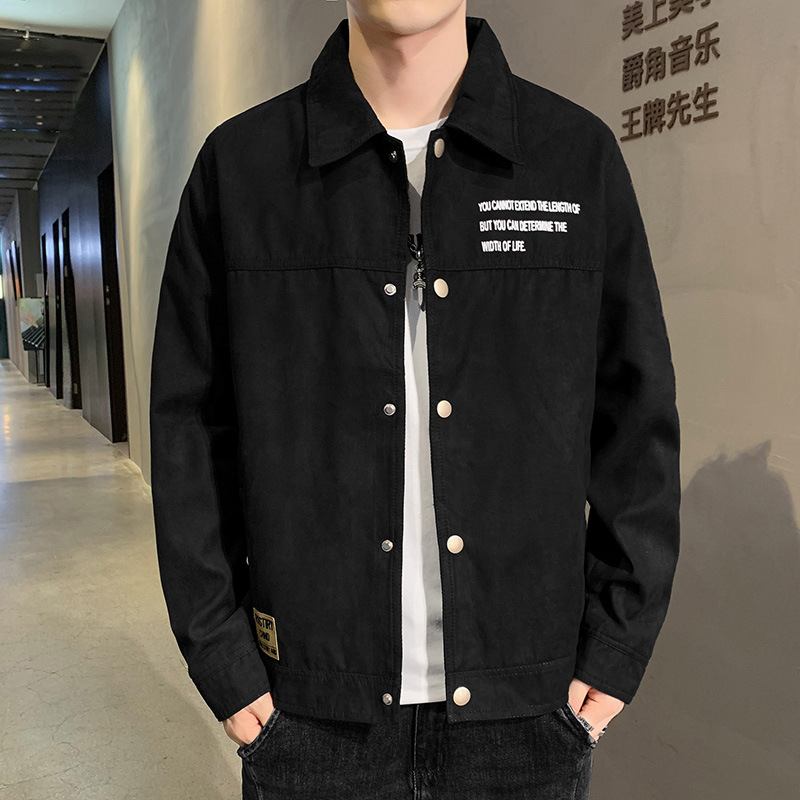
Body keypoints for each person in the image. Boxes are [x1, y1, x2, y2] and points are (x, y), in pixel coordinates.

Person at [149, 2, 681, 798]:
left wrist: (616, 645)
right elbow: (188, 430)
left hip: (526, 716)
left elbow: (638, 423)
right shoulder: (244, 168)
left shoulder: (574, 156)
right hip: (311, 717)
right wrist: (223, 657)